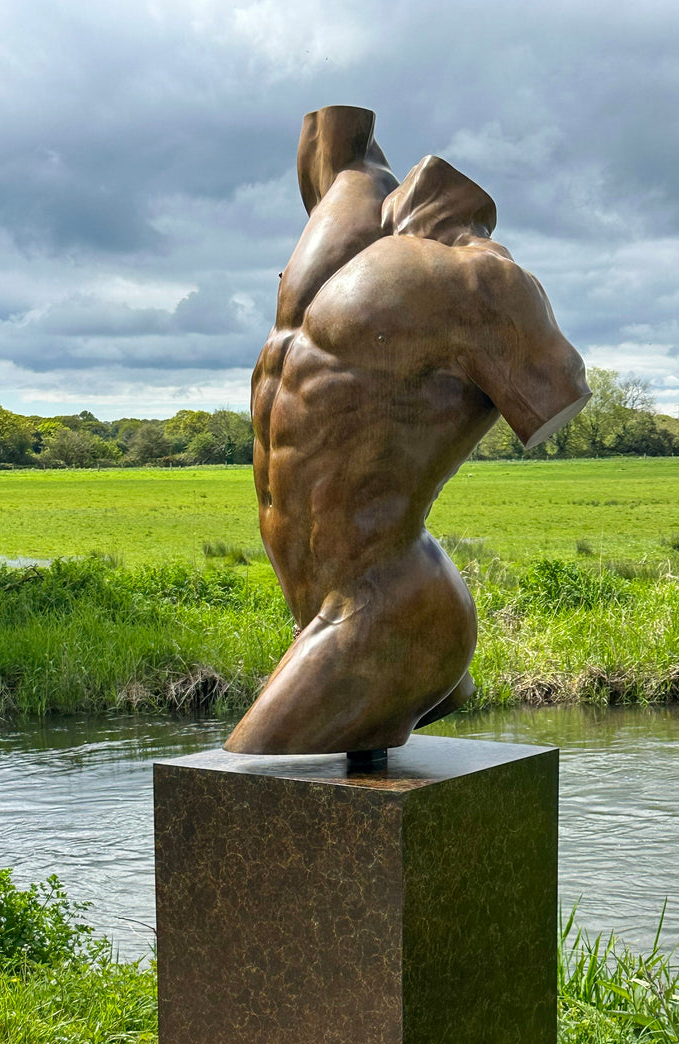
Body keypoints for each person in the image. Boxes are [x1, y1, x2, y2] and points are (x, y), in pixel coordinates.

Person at [225, 106, 589, 756]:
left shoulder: (483, 282)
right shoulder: (350, 215)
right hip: (322, 603)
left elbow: (554, 392)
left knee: (246, 779)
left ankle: (418, 672)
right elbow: (330, 144)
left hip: (385, 604)